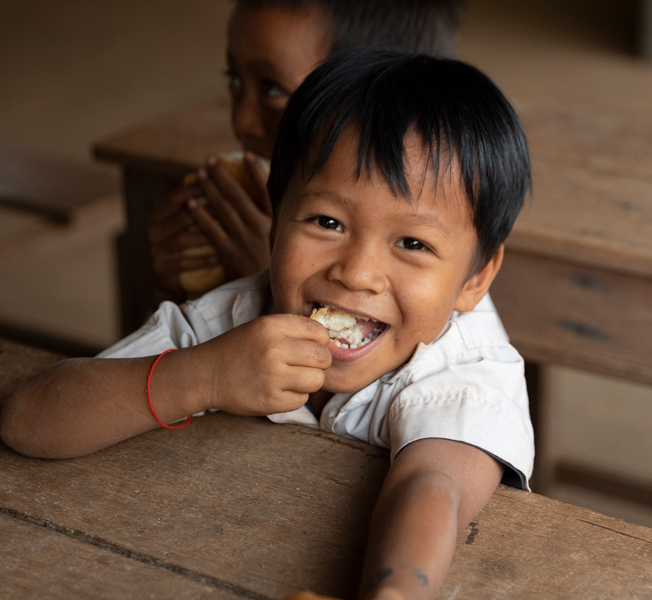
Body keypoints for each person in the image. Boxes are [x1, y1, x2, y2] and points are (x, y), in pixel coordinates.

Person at [1, 48, 533, 599]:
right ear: (275, 220)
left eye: (412, 243)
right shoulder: (232, 317)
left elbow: (432, 485)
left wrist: (394, 594)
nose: (357, 273)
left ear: (476, 278)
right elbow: (28, 422)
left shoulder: (466, 367)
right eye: (327, 221)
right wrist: (199, 377)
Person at [151, 0, 466, 297]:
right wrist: (176, 293)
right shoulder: (224, 210)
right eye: (235, 81)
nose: (242, 122)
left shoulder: (442, 260)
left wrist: (266, 280)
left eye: (272, 89)